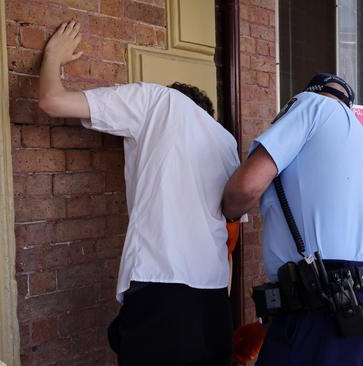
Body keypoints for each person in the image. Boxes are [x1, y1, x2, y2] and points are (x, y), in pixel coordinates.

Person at [39, 21, 240, 365]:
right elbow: (230, 241)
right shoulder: (226, 142)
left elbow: (52, 101)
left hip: (162, 288)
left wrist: (53, 57)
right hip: (214, 303)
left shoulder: (157, 101)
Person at [221, 73, 363, 365]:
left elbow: (245, 187)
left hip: (327, 304)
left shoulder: (311, 105)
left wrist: (225, 214)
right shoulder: (361, 141)